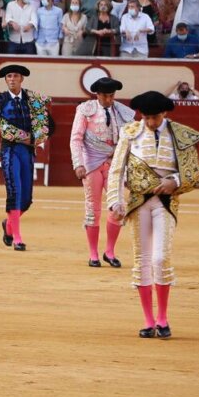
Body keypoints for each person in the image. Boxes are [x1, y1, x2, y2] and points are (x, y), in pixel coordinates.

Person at [107, 90, 199, 340]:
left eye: (154, 118)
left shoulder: (179, 134)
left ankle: (163, 318)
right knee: (142, 260)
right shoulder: (130, 132)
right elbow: (117, 170)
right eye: (146, 118)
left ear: (164, 113)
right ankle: (149, 320)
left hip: (166, 202)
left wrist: (175, 181)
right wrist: (115, 201)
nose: (150, 123)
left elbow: (195, 175)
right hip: (139, 202)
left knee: (161, 258)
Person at [0, 64, 52, 251]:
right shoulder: (0, 100)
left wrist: (38, 137)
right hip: (9, 150)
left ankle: (9, 224)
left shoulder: (32, 99)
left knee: (26, 199)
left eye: (15, 76)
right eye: (9, 76)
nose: (11, 79)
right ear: (5, 80)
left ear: (22, 79)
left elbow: (49, 124)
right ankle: (17, 238)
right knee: (15, 191)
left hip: (27, 151)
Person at [69, 76, 135, 269]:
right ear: (97, 95)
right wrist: (78, 163)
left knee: (119, 207)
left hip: (115, 164)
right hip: (91, 164)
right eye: (106, 96)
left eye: (112, 96)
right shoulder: (85, 110)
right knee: (93, 210)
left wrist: (129, 169)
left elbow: (130, 142)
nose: (109, 99)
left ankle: (110, 251)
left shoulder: (123, 112)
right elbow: (76, 139)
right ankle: (93, 254)